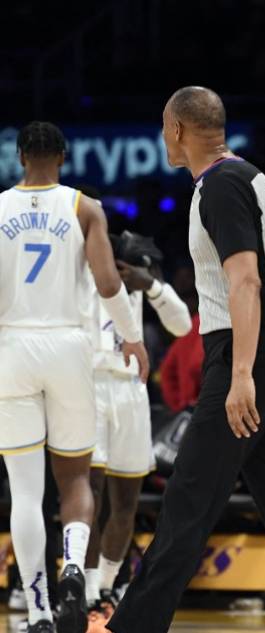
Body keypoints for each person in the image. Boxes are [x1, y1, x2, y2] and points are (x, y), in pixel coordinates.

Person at [106, 86, 265, 633]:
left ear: (176, 129)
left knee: (189, 498)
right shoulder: (246, 176)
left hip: (248, 355)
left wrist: (240, 375)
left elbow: (245, 281)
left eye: (162, 127)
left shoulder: (219, 186)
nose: (161, 136)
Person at [0, 121, 149, 633]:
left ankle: (39, 612)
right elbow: (109, 282)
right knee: (76, 479)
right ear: (63, 158)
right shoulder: (84, 207)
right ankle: (72, 567)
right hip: (68, 344)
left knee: (24, 491)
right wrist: (132, 336)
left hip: (11, 346)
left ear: (20, 157)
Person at [82, 230, 192, 619]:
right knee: (89, 496)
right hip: (88, 388)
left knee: (126, 500)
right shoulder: (79, 275)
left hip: (131, 391)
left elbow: (181, 326)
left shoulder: (136, 280)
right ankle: (88, 592)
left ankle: (109, 588)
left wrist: (152, 285)